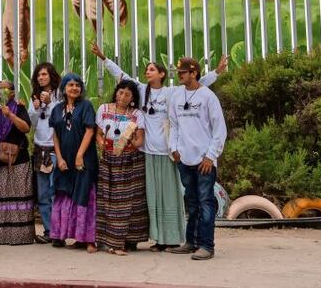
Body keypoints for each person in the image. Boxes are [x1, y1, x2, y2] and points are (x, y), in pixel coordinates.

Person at [92, 43, 225, 250]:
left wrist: (216, 72)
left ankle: (172, 238)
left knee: (171, 199)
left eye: (152, 69)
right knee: (152, 199)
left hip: (169, 153)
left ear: (162, 74)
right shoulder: (142, 90)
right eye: (146, 70)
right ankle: (158, 239)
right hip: (147, 152)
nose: (147, 72)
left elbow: (200, 84)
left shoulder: (173, 93)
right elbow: (121, 76)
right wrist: (103, 58)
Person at [167, 57, 227, 261]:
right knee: (191, 203)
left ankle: (206, 246)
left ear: (194, 73)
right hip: (184, 160)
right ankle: (191, 242)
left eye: (183, 72)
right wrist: (173, 148)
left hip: (204, 161)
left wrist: (210, 156)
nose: (179, 75)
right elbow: (174, 125)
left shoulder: (208, 97)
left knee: (206, 203)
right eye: (179, 72)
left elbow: (220, 131)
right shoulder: (176, 96)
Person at [96, 80, 149, 255]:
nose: (123, 97)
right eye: (120, 92)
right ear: (115, 93)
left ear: (133, 98)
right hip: (109, 160)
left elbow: (140, 138)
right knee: (108, 199)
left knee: (130, 202)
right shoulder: (104, 109)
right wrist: (101, 143)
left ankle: (130, 240)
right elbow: (98, 134)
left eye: (127, 94)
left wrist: (134, 142)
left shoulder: (137, 114)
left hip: (130, 161)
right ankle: (109, 241)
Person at [0, 79, 33, 245]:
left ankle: (18, 237)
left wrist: (10, 114)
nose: (1, 91)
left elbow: (26, 128)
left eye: (5, 89)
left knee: (15, 199)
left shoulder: (19, 108)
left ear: (12, 93)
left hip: (16, 164)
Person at [49, 72, 98, 253]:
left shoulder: (86, 106)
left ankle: (87, 239)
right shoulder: (57, 109)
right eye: (70, 85)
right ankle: (62, 235)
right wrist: (59, 158)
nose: (74, 88)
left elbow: (90, 130)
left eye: (77, 85)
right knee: (64, 193)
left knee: (84, 195)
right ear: (64, 89)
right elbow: (55, 135)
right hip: (64, 159)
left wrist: (79, 155)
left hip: (84, 159)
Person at [27, 62, 61, 244]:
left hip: (55, 150)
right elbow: (31, 123)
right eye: (39, 75)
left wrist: (51, 103)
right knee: (42, 194)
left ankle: (59, 231)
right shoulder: (35, 97)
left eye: (44, 75)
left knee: (55, 191)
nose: (41, 78)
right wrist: (36, 107)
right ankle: (49, 230)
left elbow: (62, 119)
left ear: (52, 76)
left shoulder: (60, 96)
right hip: (39, 149)